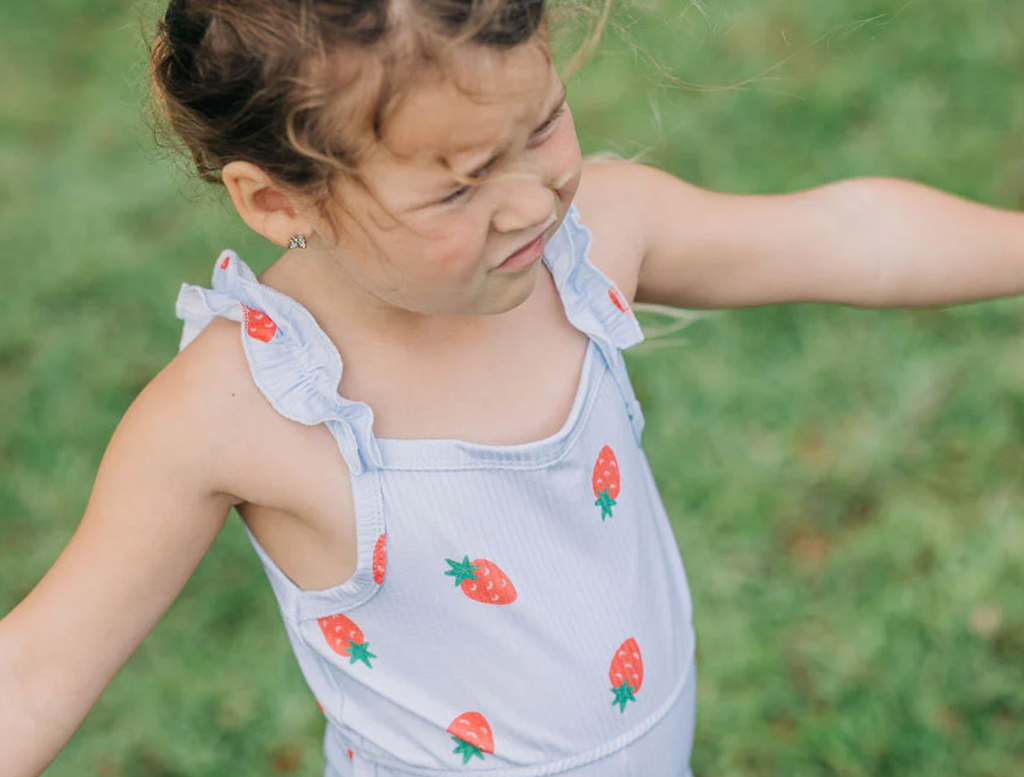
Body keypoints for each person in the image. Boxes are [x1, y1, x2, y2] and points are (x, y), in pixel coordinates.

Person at [2, 0, 1023, 775]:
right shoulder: (242, 407)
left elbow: (850, 235)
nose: (531, 202)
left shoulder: (595, 239)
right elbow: (37, 668)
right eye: (456, 187)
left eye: (540, 127)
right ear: (275, 200)